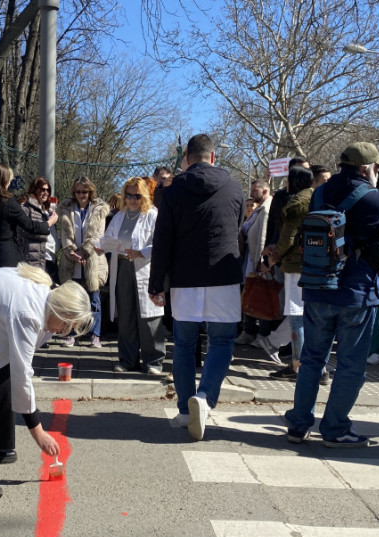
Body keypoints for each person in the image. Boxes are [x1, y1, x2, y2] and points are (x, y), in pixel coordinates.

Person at [284, 142, 379, 448]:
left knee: (313, 359)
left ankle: (299, 424)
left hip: (318, 286)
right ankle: (336, 428)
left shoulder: (320, 192)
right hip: (357, 291)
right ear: (367, 169)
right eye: (377, 168)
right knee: (351, 364)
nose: (378, 172)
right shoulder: (378, 199)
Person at [0, 265, 92, 514]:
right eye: (66, 326)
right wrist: (38, 432)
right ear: (60, 310)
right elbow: (23, 374)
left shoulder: (45, 294)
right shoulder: (30, 312)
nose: (62, 332)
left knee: (2, 374)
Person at [148, 134, 245, 441]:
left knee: (185, 344)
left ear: (187, 157)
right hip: (224, 276)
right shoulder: (235, 186)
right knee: (222, 341)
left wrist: (156, 283)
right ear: (213, 157)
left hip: (185, 278)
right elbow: (238, 227)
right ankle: (205, 397)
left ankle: (185, 409)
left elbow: (163, 239)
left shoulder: (173, 189)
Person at [264, 166, 327, 382]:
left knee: (296, 316)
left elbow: (287, 236)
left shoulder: (296, 202)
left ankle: (297, 365)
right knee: (315, 318)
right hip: (319, 264)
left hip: (296, 265)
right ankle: (320, 367)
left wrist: (274, 257)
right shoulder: (320, 196)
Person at [104, 177, 165, 374]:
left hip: (144, 269)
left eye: (136, 196)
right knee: (126, 315)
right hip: (122, 267)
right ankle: (128, 360)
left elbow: (160, 244)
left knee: (148, 316)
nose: (131, 200)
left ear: (144, 196)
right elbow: (108, 238)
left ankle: (153, 361)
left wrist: (141, 252)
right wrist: (101, 245)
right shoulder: (119, 216)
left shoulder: (153, 215)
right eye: (128, 195)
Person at [0, 163, 56, 269]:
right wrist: (49, 222)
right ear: (4, 181)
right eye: (8, 180)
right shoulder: (7, 202)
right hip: (6, 256)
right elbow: (30, 225)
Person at [58, 176, 110, 347]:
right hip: (71, 261)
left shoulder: (99, 209)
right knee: (72, 300)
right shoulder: (66, 208)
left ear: (90, 192)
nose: (81, 195)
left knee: (94, 299)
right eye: (78, 191)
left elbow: (98, 234)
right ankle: (72, 333)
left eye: (85, 192)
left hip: (92, 260)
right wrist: (72, 251)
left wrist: (84, 251)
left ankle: (95, 334)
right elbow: (65, 234)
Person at [236, 179, 276, 346]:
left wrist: (262, 262)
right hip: (249, 259)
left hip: (258, 261)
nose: (251, 193)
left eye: (255, 190)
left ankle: (262, 334)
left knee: (261, 296)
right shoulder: (258, 209)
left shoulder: (266, 210)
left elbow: (263, 237)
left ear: (265, 191)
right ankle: (249, 331)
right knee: (250, 295)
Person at [16, 176, 55, 270]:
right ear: (35, 189)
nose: (46, 193)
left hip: (48, 259)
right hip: (31, 260)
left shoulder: (47, 211)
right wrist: (48, 224)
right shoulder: (25, 207)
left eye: (48, 190)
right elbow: (24, 231)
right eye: (42, 189)